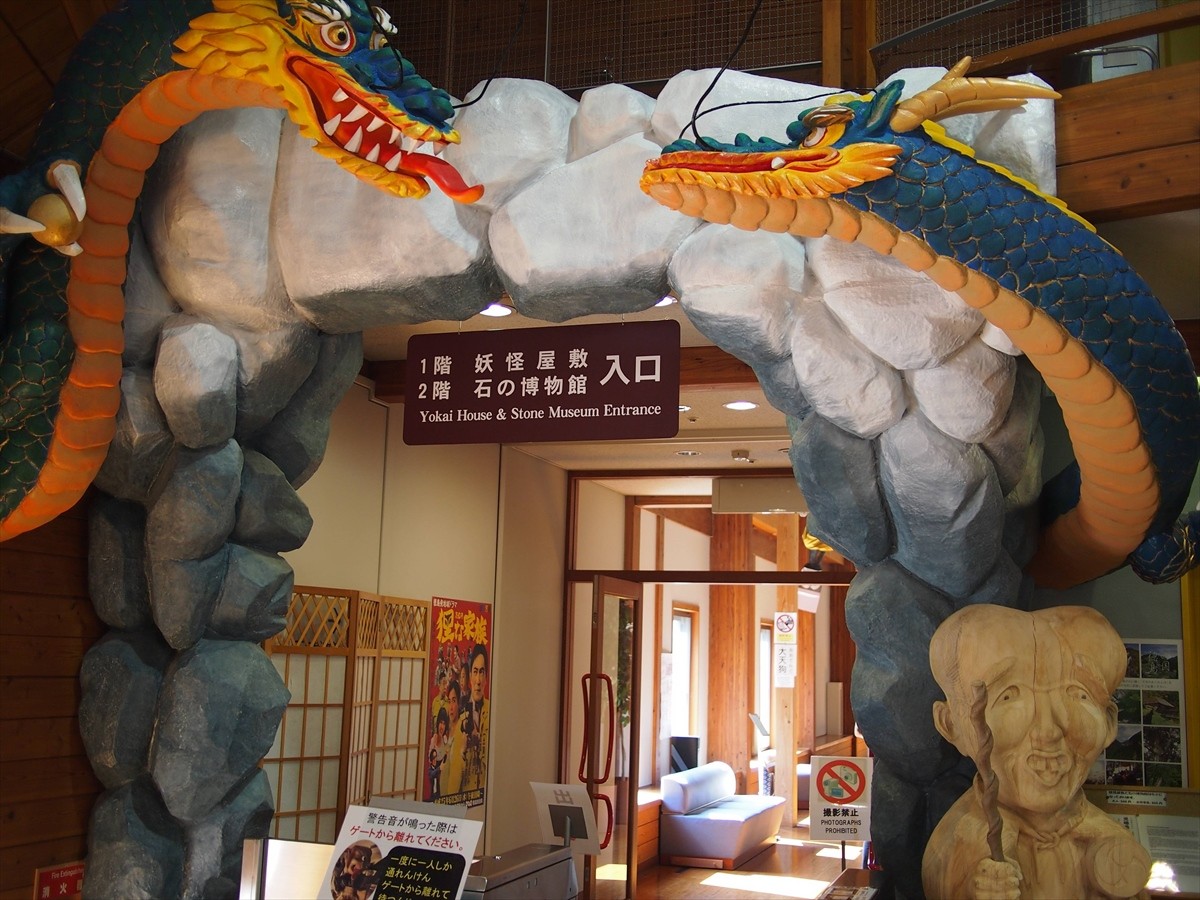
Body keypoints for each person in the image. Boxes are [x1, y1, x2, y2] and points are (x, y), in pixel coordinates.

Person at [922, 605, 1151, 899]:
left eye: (1078, 694)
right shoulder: (959, 841)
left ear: (1109, 723)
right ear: (951, 724)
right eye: (1009, 696)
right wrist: (974, 888)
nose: (1048, 731)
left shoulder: (1107, 839)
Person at [462, 642, 490, 791]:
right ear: (470, 676)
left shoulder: (492, 711)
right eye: (475, 672)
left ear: (486, 677)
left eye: (482, 672)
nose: (478, 680)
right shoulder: (462, 713)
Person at [439, 677, 467, 797]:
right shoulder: (446, 730)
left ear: (459, 703)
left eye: (454, 701)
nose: (451, 707)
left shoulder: (462, 727)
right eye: (449, 701)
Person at [427, 707, 450, 799]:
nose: (442, 726)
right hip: (435, 776)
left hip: (444, 776)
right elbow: (430, 761)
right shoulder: (434, 739)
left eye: (444, 724)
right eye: (440, 723)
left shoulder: (445, 739)